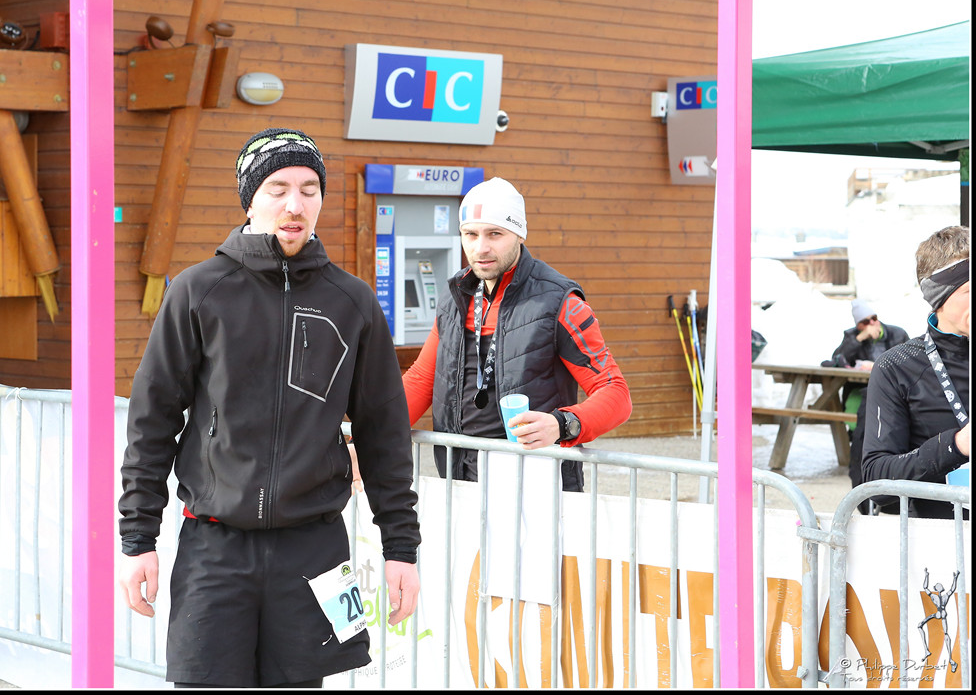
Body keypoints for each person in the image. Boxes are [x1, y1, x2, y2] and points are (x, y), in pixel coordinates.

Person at [117, 127, 421, 688]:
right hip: (214, 547)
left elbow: (384, 435)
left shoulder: (353, 302)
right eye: (277, 189)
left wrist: (402, 548)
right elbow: (152, 420)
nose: (294, 205)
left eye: (309, 189)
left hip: (316, 550)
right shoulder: (198, 290)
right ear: (250, 200)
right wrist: (138, 539)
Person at [398, 176, 632, 492]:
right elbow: (421, 381)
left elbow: (616, 393)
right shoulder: (455, 297)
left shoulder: (560, 302)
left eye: (495, 234)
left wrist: (561, 424)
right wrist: (369, 436)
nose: (481, 248)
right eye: (471, 234)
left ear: (519, 234)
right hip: (460, 481)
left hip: (537, 487)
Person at [862, 225, 970, 520]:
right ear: (940, 296)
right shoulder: (898, 366)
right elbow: (876, 479)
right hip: (942, 540)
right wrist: (956, 445)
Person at [825, 298, 909, 513]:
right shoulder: (852, 337)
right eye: (865, 321)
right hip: (860, 390)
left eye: (874, 318)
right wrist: (859, 339)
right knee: (862, 426)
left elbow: (909, 362)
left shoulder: (897, 334)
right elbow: (836, 359)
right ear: (858, 325)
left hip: (892, 392)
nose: (872, 323)